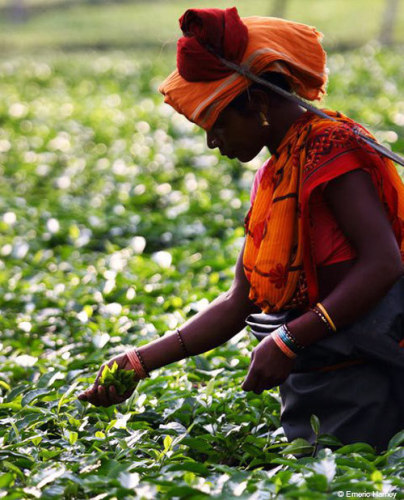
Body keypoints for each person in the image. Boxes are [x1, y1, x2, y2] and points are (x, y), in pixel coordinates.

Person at [79, 8, 404, 452]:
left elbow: (383, 262)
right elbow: (240, 300)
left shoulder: (332, 149)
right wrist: (136, 362)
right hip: (311, 391)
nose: (214, 143)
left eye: (218, 126)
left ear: (256, 103)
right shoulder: (273, 175)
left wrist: (288, 340)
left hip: (370, 383)